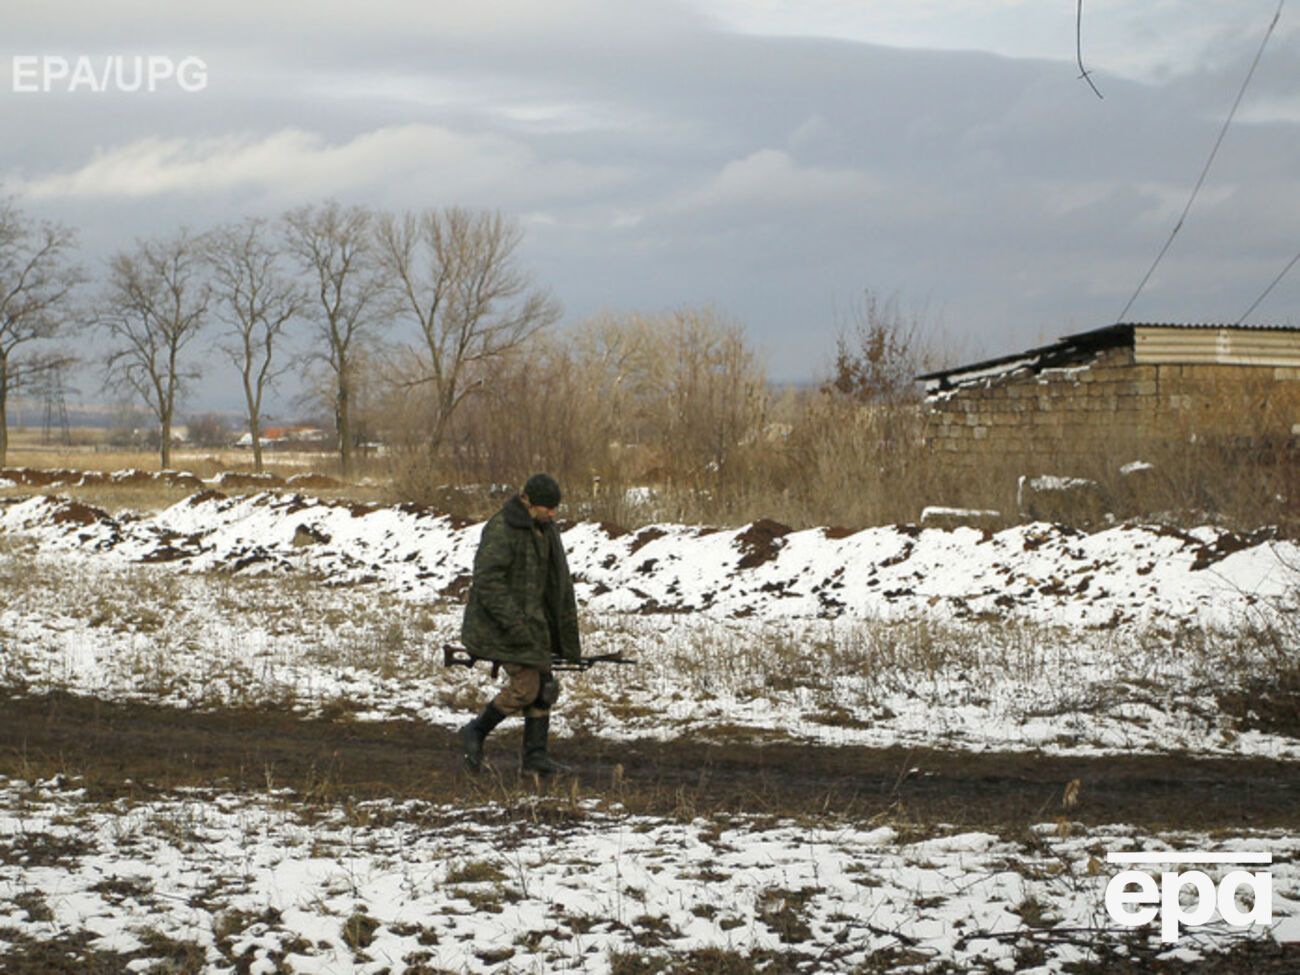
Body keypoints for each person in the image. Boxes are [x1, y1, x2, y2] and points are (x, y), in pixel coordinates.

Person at [457, 473, 582, 775]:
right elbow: (488, 584)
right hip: (498, 626)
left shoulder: (545, 529)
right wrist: (515, 624)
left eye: (555, 508)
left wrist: (556, 629)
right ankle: (475, 731)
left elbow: (554, 582)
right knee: (527, 688)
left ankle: (535, 757)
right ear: (528, 501)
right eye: (547, 508)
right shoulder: (500, 529)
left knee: (544, 688)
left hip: (533, 625)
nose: (552, 514)